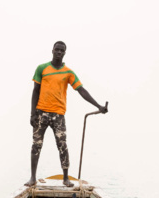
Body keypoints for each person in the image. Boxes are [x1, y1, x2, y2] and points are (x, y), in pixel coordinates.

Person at [25, 41, 107, 187]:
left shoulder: (68, 72)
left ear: (64, 53)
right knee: (36, 146)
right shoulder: (42, 68)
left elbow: (81, 90)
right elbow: (35, 91)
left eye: (62, 51)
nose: (59, 52)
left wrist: (98, 106)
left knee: (62, 145)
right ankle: (32, 178)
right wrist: (32, 114)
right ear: (52, 50)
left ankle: (65, 178)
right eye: (57, 50)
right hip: (41, 113)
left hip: (58, 115)